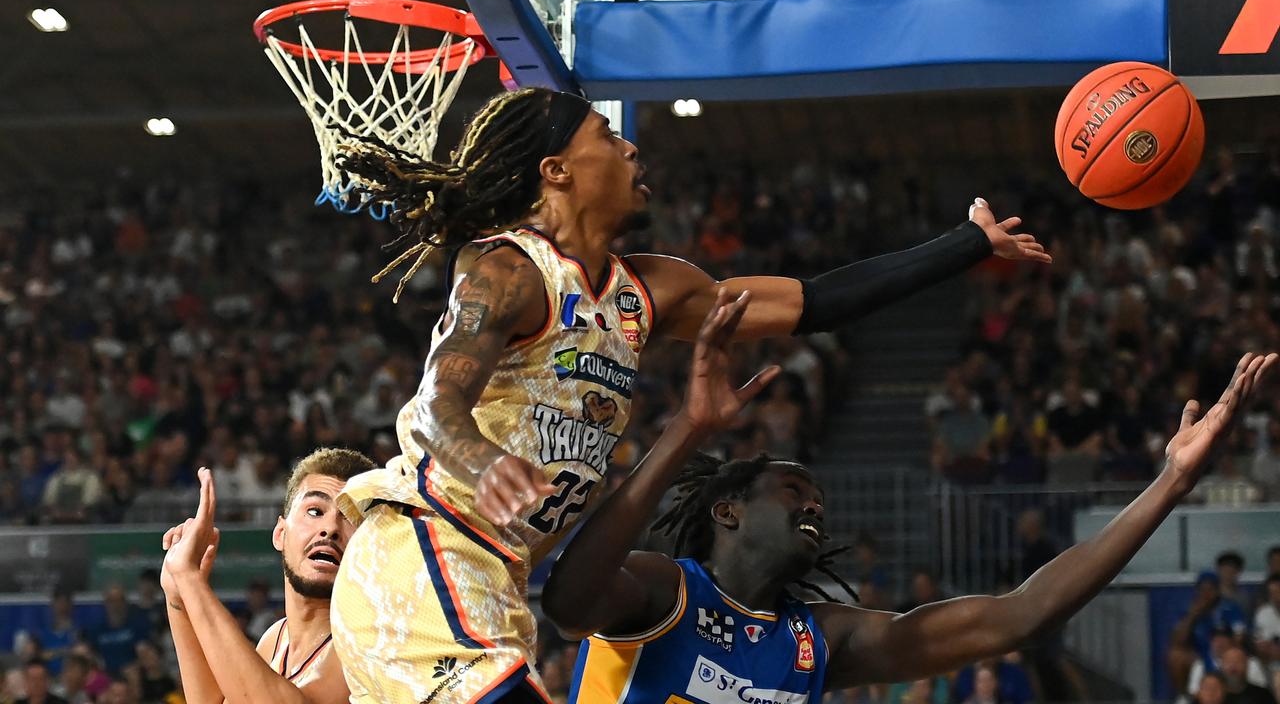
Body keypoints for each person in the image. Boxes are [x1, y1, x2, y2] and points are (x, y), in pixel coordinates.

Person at [329, 87, 1053, 702]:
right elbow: (433, 407)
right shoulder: (510, 270)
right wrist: (484, 463)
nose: (633, 150)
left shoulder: (650, 290)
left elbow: (812, 302)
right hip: (425, 553)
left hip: (497, 584)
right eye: (608, 137)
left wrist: (967, 244)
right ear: (556, 170)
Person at [540, 292, 1277, 700]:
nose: (815, 506)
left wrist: (1171, 481)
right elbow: (569, 603)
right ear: (726, 510)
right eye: (794, 487)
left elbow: (1017, 616)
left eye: (819, 497)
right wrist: (687, 430)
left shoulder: (818, 640)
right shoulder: (665, 590)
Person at [160, 447, 376, 704]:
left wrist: (190, 580)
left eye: (350, 517)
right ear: (280, 534)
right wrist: (177, 597)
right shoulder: (275, 638)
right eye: (315, 511)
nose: (330, 529)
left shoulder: (368, 642)